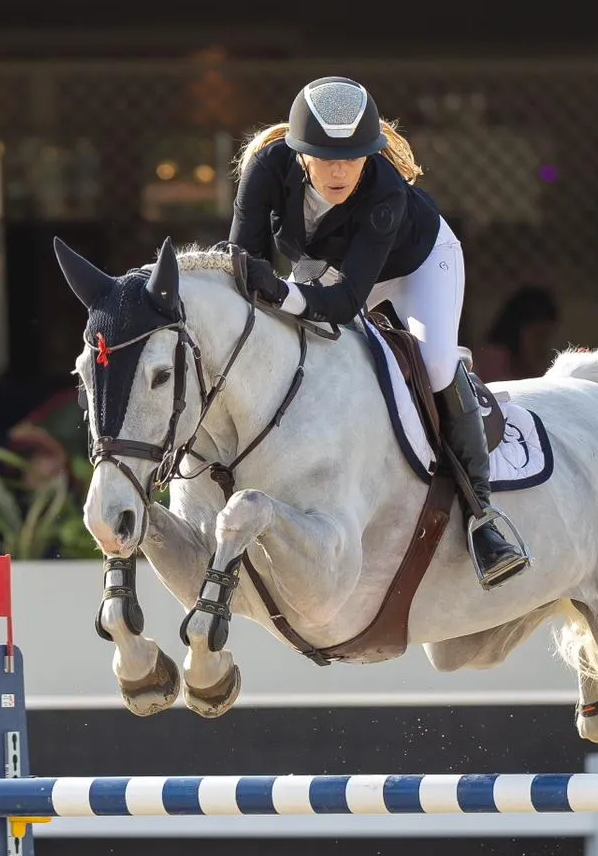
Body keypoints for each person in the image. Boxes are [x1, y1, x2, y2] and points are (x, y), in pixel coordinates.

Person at [223, 75, 528, 588]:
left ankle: (483, 517)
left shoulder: (385, 189)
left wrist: (281, 293)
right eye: (325, 157)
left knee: (432, 365)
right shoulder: (265, 170)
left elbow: (343, 302)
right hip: (327, 269)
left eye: (355, 156)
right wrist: (264, 296)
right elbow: (243, 262)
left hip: (417, 266)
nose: (341, 170)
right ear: (299, 154)